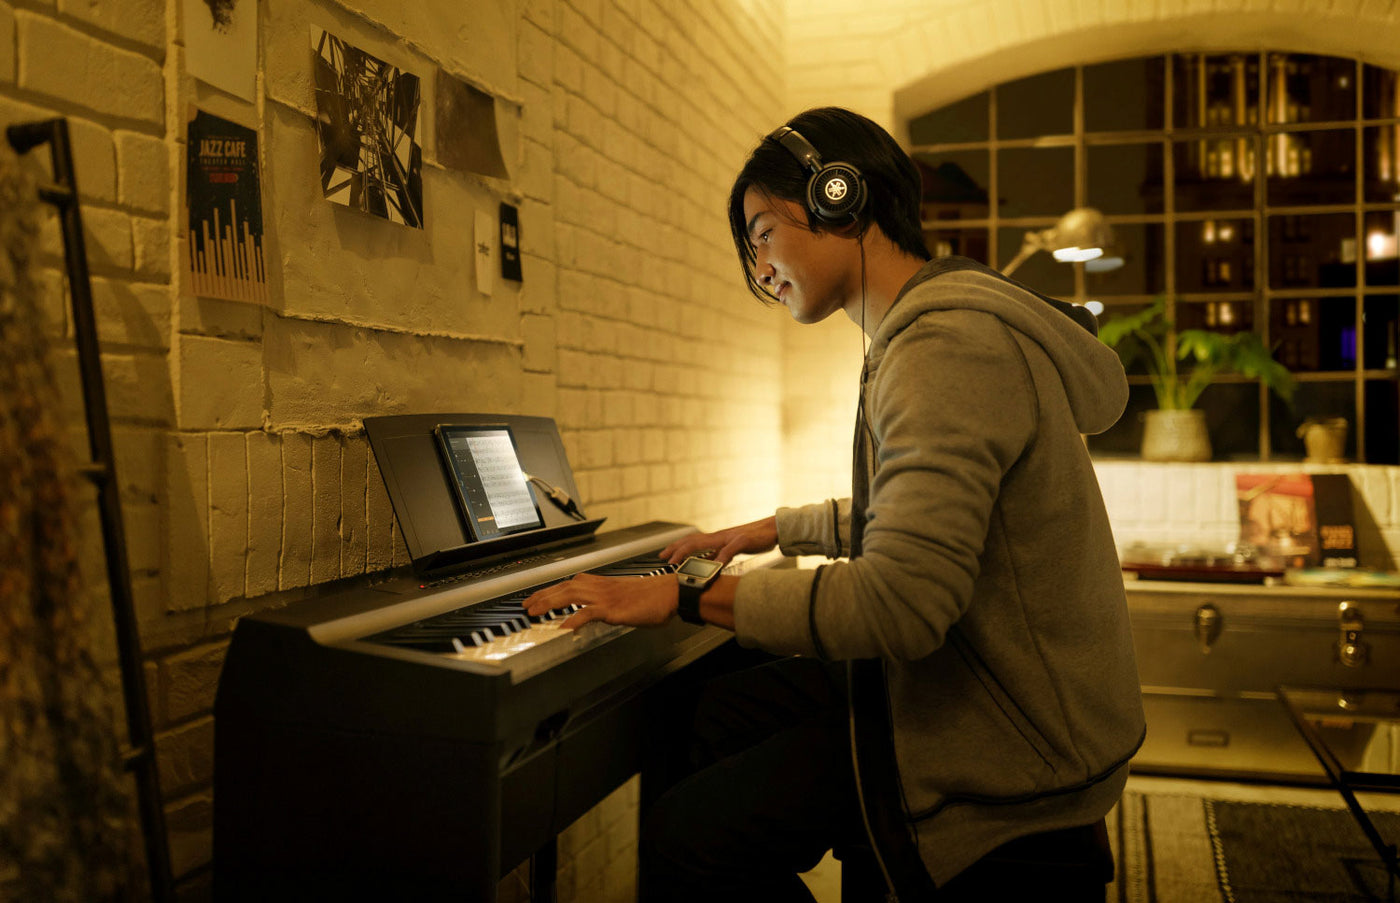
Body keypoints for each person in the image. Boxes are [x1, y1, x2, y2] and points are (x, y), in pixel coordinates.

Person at [525, 107, 1145, 901]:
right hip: (988, 694)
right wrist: (770, 530)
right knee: (713, 712)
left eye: (759, 233)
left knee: (686, 840)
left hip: (1006, 739)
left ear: (837, 196)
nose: (757, 269)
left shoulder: (943, 349)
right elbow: (933, 516)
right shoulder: (934, 334)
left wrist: (679, 595)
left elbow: (904, 601)